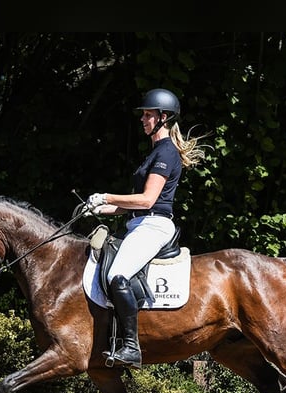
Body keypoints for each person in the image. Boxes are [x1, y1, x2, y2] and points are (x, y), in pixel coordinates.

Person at [85, 88, 208, 369]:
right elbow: (133, 205)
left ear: (163, 118)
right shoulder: (154, 152)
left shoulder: (166, 152)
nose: (143, 120)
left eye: (148, 115)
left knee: (117, 274)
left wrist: (106, 197)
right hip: (139, 222)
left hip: (155, 225)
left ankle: (131, 347)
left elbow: (147, 200)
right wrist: (96, 209)